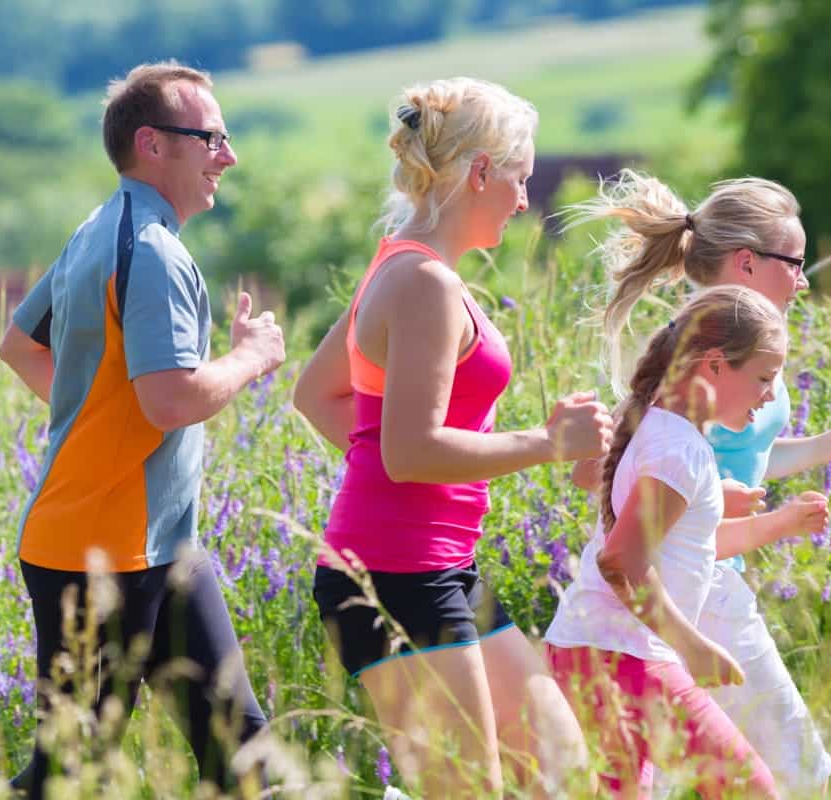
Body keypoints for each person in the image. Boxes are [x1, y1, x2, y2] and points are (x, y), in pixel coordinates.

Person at [292, 77, 613, 799]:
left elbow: (318, 397)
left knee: (559, 769)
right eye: (520, 179)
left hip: (441, 566)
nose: (526, 200)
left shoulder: (406, 266)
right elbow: (408, 452)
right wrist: (546, 443)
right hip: (391, 576)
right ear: (479, 174)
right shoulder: (423, 284)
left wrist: (400, 466)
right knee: (469, 790)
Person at [0, 62, 284, 799]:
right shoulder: (152, 251)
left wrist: (97, 422)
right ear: (153, 144)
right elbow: (171, 402)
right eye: (212, 137)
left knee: (243, 753)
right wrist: (252, 358)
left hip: (157, 545)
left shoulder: (104, 225)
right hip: (101, 558)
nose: (229, 154)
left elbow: (22, 346)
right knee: (70, 774)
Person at [570, 169, 831, 796]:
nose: (802, 278)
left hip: (700, 579)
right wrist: (719, 502)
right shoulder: (702, 351)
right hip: (689, 583)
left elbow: (747, 456)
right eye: (794, 262)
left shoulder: (747, 343)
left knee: (663, 778)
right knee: (793, 770)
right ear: (747, 262)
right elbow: (616, 468)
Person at [545, 286, 791, 799]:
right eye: (764, 378)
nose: (770, 394)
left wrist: (745, 513)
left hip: (586, 649)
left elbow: (655, 541)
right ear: (716, 366)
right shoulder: (680, 448)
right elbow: (622, 561)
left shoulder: (655, 425)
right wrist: (692, 646)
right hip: (626, 659)